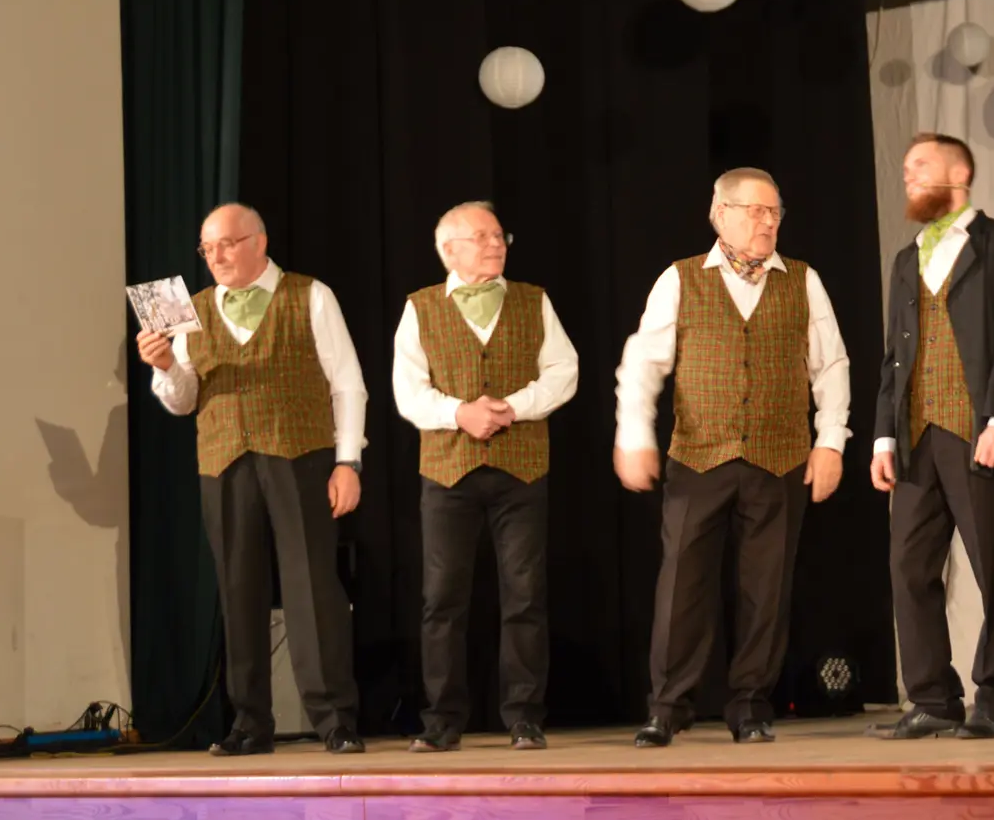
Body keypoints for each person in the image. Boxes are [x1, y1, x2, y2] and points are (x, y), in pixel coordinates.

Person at [614, 167, 850, 747]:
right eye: (756, 211)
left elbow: (831, 365)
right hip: (699, 456)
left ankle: (749, 705)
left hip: (779, 457)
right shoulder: (680, 279)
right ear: (720, 213)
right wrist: (634, 435)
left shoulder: (803, 280)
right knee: (682, 588)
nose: (768, 222)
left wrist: (830, 441)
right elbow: (643, 364)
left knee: (765, 590)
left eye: (775, 213)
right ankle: (668, 707)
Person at [136, 203, 366, 756]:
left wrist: (348, 461)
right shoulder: (189, 310)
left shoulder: (310, 295)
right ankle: (250, 722)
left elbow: (347, 384)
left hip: (299, 455)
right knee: (239, 590)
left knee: (312, 587)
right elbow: (183, 401)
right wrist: (165, 368)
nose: (215, 256)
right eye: (207, 248)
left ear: (259, 242)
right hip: (224, 462)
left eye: (227, 244)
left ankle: (334, 719)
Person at [867, 133, 994, 740]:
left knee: (992, 567)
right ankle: (932, 697)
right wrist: (883, 438)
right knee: (908, 567)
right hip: (916, 435)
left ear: (959, 172)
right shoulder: (907, 258)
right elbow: (894, 358)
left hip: (977, 431)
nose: (909, 175)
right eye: (905, 167)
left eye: (920, 164)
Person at [392, 201, 579, 752]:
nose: (496, 244)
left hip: (521, 470)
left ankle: (524, 716)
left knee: (525, 595)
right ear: (449, 250)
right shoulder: (421, 307)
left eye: (500, 236)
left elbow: (563, 371)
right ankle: (442, 720)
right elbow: (408, 391)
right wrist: (460, 414)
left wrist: (514, 407)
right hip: (447, 472)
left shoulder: (533, 300)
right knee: (442, 599)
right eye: (482, 237)